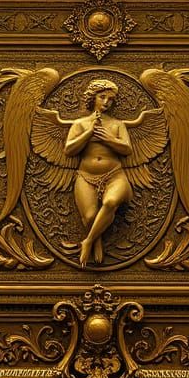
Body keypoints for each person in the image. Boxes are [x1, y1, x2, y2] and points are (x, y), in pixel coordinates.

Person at [64, 80, 134, 267]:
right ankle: (97, 240)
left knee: (111, 202)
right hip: (86, 176)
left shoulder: (117, 124)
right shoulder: (79, 124)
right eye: (102, 97)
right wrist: (88, 133)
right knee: (89, 217)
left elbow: (127, 149)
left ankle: (87, 241)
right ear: (92, 98)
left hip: (114, 175)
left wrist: (109, 139)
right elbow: (69, 150)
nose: (106, 103)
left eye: (110, 100)